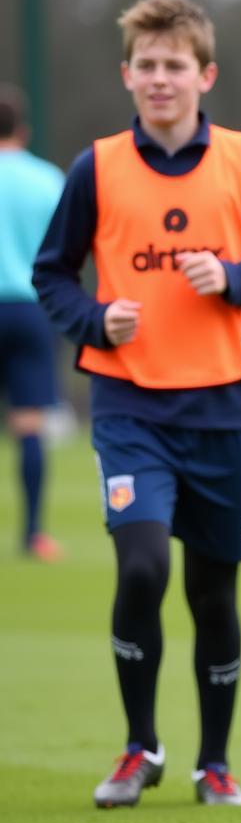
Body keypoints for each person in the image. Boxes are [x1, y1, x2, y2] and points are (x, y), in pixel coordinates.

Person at [33, 0, 241, 808]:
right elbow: (52, 274)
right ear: (127, 76)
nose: (161, 78)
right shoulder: (95, 167)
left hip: (222, 408)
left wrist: (238, 279)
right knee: (141, 569)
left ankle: (215, 763)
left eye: (176, 65)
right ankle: (139, 748)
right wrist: (95, 321)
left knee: (213, 590)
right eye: (147, 65)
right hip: (129, 405)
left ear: (204, 74)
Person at [0, 83, 65, 561]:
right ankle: (33, 533)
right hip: (29, 310)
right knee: (29, 425)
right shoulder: (47, 179)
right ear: (23, 129)